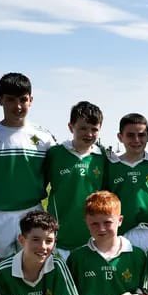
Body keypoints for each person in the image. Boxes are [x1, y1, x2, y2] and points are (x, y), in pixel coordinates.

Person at [0, 72, 56, 257]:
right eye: (11, 100)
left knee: (35, 266)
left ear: (31, 100)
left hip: (33, 212)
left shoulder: (44, 138)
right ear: (0, 100)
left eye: (23, 99)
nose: (18, 106)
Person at [44, 101, 109, 256]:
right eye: (83, 128)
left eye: (94, 129)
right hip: (59, 237)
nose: (89, 134)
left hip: (92, 238)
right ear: (71, 127)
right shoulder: (55, 154)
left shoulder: (103, 158)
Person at [107, 113, 148, 253]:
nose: (136, 140)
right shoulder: (110, 165)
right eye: (130, 135)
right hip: (121, 234)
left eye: (141, 135)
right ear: (120, 137)